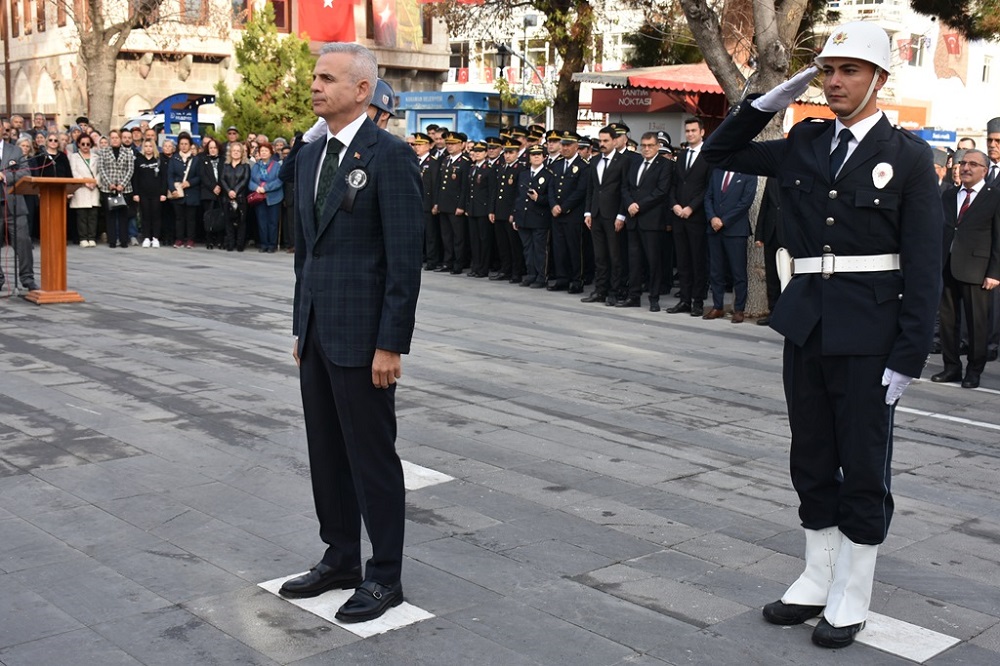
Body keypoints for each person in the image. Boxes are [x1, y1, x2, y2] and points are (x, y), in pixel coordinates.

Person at [702, 22, 942, 649]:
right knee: (809, 453)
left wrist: (909, 353)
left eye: (850, 71)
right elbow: (717, 155)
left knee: (862, 463)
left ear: (879, 79)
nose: (834, 82)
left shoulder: (911, 157)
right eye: (827, 70)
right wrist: (767, 103)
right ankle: (816, 574)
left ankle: (852, 588)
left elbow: (923, 264)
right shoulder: (803, 142)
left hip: (872, 331)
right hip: (806, 323)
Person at [281, 42, 423, 625]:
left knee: (371, 457)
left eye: (326, 78)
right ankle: (340, 557)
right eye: (314, 77)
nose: (314, 87)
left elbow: (404, 259)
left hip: (365, 340)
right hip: (318, 332)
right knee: (326, 453)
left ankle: (383, 574)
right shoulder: (311, 155)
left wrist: (391, 343)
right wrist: (300, 324)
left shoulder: (390, 156)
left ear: (362, 90)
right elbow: (305, 254)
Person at [931, 149, 1000, 389]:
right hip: (947, 265)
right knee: (948, 321)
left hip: (977, 270)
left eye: (973, 164)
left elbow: (999, 238)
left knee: (976, 323)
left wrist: (995, 272)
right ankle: (951, 367)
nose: (966, 167)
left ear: (984, 170)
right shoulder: (949, 196)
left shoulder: (994, 197)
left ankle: (974, 370)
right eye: (963, 163)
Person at [621, 132, 673, 311]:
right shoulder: (634, 162)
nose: (646, 149)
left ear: (658, 146)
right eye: (644, 145)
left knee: (654, 261)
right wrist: (629, 204)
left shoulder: (665, 164)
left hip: (652, 220)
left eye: (650, 145)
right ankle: (633, 296)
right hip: (633, 219)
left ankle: (654, 298)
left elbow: (661, 191)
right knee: (634, 260)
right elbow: (625, 187)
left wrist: (639, 205)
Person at [667, 117, 711, 317]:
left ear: (702, 132)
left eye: (694, 130)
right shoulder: (682, 155)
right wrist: (675, 205)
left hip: (696, 217)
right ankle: (684, 299)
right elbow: (674, 184)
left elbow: (707, 188)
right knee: (682, 261)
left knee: (697, 261)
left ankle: (698, 301)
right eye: (688, 131)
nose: (690, 134)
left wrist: (691, 208)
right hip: (678, 216)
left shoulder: (709, 155)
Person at [582, 126, 631, 305]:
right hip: (596, 215)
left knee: (615, 256)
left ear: (614, 141)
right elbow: (591, 189)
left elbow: (625, 190)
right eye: (600, 141)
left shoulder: (624, 161)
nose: (602, 144)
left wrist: (621, 215)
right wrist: (588, 212)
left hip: (613, 215)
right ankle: (600, 290)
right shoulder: (595, 161)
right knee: (599, 256)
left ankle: (614, 291)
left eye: (606, 141)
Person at [703, 168, 757, 323]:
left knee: (738, 271)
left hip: (735, 230)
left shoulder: (749, 174)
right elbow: (708, 197)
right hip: (714, 229)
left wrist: (724, 221)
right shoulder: (717, 172)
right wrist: (712, 218)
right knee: (716, 270)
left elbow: (745, 202)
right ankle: (717, 306)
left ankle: (739, 309)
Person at [547, 131, 589, 294]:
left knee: (574, 248)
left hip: (572, 214)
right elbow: (551, 187)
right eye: (563, 145)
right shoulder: (556, 165)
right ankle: (562, 278)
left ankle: (576, 280)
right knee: (559, 248)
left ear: (576, 146)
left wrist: (563, 207)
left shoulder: (583, 166)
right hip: (556, 213)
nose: (564, 148)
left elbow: (580, 191)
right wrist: (553, 205)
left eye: (568, 145)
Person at [0, 134, 38, 292]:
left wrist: (5, 176)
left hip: (14, 204)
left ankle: (27, 278)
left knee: (23, 242)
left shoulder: (15, 151)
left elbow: (25, 172)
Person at [513, 145, 551, 289]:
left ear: (544, 157)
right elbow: (518, 197)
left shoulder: (548, 175)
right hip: (524, 217)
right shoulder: (523, 174)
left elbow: (551, 198)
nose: (536, 157)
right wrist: (516, 216)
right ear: (529, 157)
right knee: (528, 249)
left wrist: (538, 198)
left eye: (539, 154)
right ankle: (531, 275)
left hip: (540, 218)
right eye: (533, 154)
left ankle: (542, 277)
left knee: (540, 250)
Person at [96, 130, 136, 249]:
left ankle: (124, 240)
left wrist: (122, 184)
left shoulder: (128, 152)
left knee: (124, 215)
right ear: (109, 139)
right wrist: (110, 184)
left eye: (117, 138)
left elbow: (130, 170)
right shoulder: (103, 152)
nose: (114, 140)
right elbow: (101, 169)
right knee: (110, 216)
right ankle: (112, 240)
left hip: (125, 189)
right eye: (112, 138)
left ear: (120, 139)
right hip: (108, 189)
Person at [166, 132, 201, 248]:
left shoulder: (196, 159)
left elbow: (199, 176)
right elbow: (170, 175)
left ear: (190, 145)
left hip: (192, 192)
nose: (184, 146)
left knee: (191, 218)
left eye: (186, 144)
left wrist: (190, 183)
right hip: (178, 192)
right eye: (181, 144)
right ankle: (179, 239)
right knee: (179, 218)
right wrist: (172, 189)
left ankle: (190, 239)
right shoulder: (174, 159)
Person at [249, 140, 283, 252]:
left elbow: (279, 180)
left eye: (265, 151)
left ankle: (272, 244)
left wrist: (266, 188)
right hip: (259, 198)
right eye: (261, 151)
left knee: (273, 222)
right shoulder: (256, 166)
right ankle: (264, 243)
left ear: (270, 152)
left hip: (273, 197)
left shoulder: (277, 166)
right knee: (261, 221)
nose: (263, 153)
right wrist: (256, 188)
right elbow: (250, 181)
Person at [68, 136, 101, 248]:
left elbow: (100, 171)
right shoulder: (74, 157)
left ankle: (92, 237)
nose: (85, 146)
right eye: (83, 144)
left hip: (94, 187)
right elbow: (74, 171)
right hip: (81, 188)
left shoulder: (96, 156)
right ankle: (83, 238)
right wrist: (85, 183)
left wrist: (95, 182)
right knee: (81, 215)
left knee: (93, 215)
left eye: (88, 144)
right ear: (78, 144)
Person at [132, 139, 166, 248]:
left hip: (156, 193)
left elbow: (164, 178)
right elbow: (135, 178)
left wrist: (163, 193)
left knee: (156, 216)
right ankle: (146, 237)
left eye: (150, 146)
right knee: (145, 216)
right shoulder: (138, 160)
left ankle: (155, 238)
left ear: (154, 147)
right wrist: (135, 193)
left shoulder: (158, 160)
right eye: (146, 146)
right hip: (143, 193)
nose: (148, 148)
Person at [199, 138, 225, 250]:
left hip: (221, 191)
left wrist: (219, 186)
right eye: (211, 148)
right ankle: (209, 240)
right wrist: (213, 187)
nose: (213, 150)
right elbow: (202, 175)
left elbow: (224, 174)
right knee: (208, 216)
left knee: (220, 216)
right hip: (208, 192)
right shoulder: (203, 160)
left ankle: (219, 240)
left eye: (215, 148)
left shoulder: (223, 160)